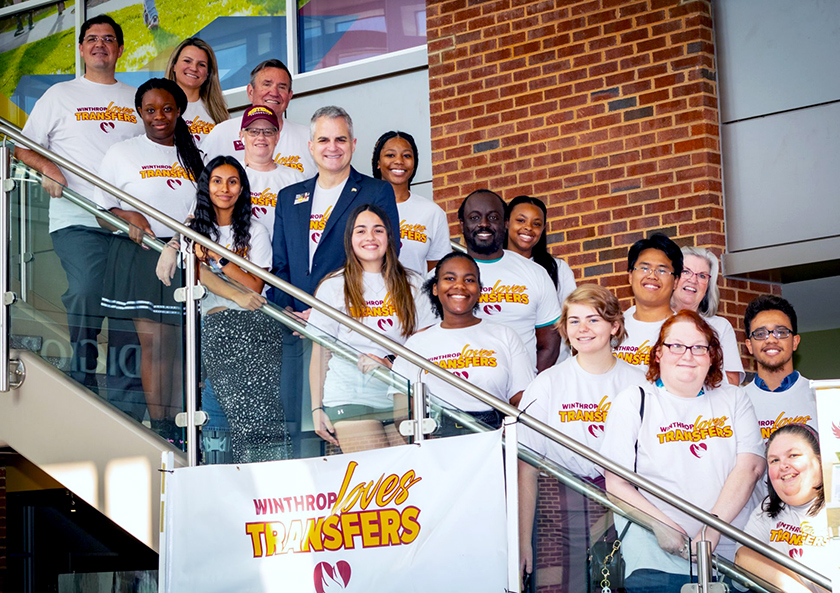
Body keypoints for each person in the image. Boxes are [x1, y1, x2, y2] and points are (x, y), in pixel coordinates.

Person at [15, 15, 145, 415]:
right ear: (81, 48)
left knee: (131, 314)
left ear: (120, 49)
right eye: (92, 39)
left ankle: (128, 406)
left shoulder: (137, 97)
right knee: (87, 289)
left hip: (129, 222)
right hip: (77, 216)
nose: (100, 44)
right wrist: (48, 168)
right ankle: (83, 373)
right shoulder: (60, 94)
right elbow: (22, 146)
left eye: (109, 39)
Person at [601, 310, 765, 593]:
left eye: (699, 347)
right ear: (658, 354)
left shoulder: (735, 398)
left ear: (712, 355)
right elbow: (615, 482)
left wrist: (712, 531)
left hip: (732, 560)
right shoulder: (633, 401)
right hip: (657, 561)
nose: (687, 355)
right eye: (675, 345)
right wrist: (662, 526)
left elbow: (750, 468)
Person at [94, 78, 204, 440]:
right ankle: (161, 431)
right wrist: (129, 217)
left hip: (182, 256)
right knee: (154, 345)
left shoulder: (194, 154)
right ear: (140, 112)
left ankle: (177, 428)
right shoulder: (122, 153)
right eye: (151, 110)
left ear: (179, 111)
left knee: (176, 349)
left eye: (168, 109)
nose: (159, 116)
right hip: (141, 256)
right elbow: (101, 211)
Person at [517, 284, 646, 591]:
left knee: (616, 585)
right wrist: (522, 540)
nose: (582, 329)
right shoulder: (546, 383)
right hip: (558, 504)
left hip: (621, 504)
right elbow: (526, 467)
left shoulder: (639, 382)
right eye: (574, 321)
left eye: (593, 319)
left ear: (614, 325)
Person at [186, 156, 290, 463]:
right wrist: (234, 292)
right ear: (207, 186)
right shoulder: (193, 229)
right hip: (214, 328)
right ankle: (220, 477)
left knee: (257, 412)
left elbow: (255, 286)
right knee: (217, 407)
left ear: (242, 187)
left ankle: (263, 480)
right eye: (217, 181)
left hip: (255, 330)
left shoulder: (255, 230)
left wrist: (219, 260)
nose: (225, 189)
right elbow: (193, 273)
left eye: (232, 181)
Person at [308, 204, 434, 453]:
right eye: (361, 231)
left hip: (400, 395)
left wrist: (388, 362)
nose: (370, 237)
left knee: (408, 476)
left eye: (378, 230)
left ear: (389, 237)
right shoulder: (333, 286)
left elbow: (425, 345)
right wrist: (315, 408)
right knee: (373, 479)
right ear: (350, 240)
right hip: (350, 394)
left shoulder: (413, 283)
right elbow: (320, 352)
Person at [391, 252, 534, 435]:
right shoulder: (416, 344)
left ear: (479, 290)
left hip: (495, 439)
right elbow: (403, 412)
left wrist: (508, 433)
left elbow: (522, 399)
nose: (459, 286)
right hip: (437, 441)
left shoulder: (505, 335)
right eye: (450, 278)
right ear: (435, 288)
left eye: (469, 280)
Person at [457, 190, 561, 376]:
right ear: (462, 225)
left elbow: (549, 342)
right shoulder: (442, 278)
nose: (484, 224)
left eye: (493, 217)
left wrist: (529, 388)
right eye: (474, 217)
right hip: (460, 395)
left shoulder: (535, 273)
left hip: (520, 397)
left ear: (505, 223)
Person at [736, 424, 832, 593]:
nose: (783, 465)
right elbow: (743, 556)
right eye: (774, 460)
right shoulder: (766, 509)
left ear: (820, 459)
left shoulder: (835, 508)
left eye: (793, 455)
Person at [201, 59, 316, 177]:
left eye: (281, 87)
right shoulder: (222, 134)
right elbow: (202, 184)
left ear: (289, 96)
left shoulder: (309, 138)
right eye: (267, 84)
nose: (274, 92)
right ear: (250, 92)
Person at [505, 194, 576, 363]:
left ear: (543, 229)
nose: (528, 228)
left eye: (536, 224)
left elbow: (571, 317)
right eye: (521, 220)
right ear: (506, 222)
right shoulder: (490, 267)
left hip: (553, 366)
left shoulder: (557, 269)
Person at [371, 130, 450, 274]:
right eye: (390, 155)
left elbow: (437, 268)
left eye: (407, 155)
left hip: (416, 295)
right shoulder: (364, 208)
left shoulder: (431, 212)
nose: (399, 161)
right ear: (378, 163)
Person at [743, 295, 817, 442]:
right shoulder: (737, 402)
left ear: (795, 342)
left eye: (781, 332)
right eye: (760, 334)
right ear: (749, 345)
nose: (771, 339)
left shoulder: (819, 397)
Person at [671, 246, 744, 385]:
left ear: (709, 286)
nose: (693, 280)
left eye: (702, 275)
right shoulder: (653, 319)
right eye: (686, 271)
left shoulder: (720, 327)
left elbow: (732, 382)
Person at [614, 232, 683, 371]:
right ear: (630, 276)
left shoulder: (685, 331)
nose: (652, 276)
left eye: (662, 270)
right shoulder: (612, 328)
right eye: (644, 268)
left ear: (676, 281)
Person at [165, 37, 229, 145]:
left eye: (202, 64)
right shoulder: (160, 109)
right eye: (187, 61)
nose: (194, 68)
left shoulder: (219, 113)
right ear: (173, 66)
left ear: (208, 73)